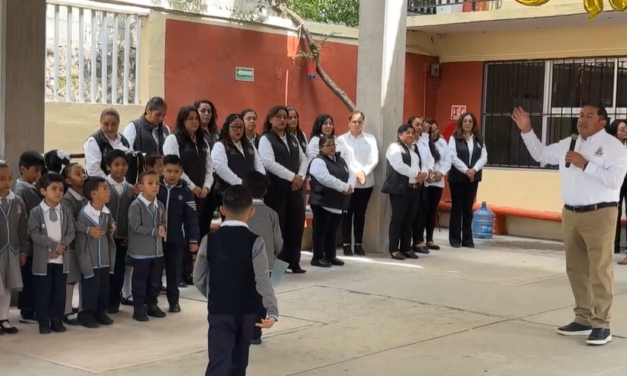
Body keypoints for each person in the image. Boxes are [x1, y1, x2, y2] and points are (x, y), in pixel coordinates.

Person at [512, 103, 627, 346]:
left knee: (599, 270)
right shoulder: (569, 142)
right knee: (575, 269)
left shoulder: (613, 146)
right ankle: (583, 318)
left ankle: (601, 324)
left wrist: (585, 164)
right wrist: (527, 130)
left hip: (600, 213)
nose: (582, 119)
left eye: (589, 116)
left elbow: (615, 179)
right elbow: (541, 155)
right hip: (571, 213)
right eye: (581, 115)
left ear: (603, 122)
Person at [193, 185, 278, 376]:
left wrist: (214, 294)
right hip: (247, 311)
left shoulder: (209, 239)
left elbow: (198, 277)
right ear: (251, 211)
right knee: (239, 362)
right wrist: (272, 310)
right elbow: (262, 279)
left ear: (222, 210)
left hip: (219, 309)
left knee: (218, 360)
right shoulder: (255, 241)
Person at [163, 106, 214, 284]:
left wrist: (206, 187)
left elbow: (209, 167)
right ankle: (179, 274)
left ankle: (192, 271)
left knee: (196, 231)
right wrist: (193, 187)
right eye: (190, 118)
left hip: (202, 194)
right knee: (182, 234)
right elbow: (173, 167)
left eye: (196, 119)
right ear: (182, 120)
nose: (194, 121)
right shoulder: (173, 139)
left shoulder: (203, 141)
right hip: (182, 192)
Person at [258, 105, 308, 274]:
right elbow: (268, 163)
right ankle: (277, 265)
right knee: (279, 227)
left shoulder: (293, 138)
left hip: (294, 189)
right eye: (278, 116)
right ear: (270, 119)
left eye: (285, 117)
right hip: (276, 189)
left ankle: (293, 262)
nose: (282, 120)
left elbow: (304, 159)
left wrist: (299, 177)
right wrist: (292, 177)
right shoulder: (266, 139)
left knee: (296, 225)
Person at [27, 173, 76, 334]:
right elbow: (33, 232)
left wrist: (62, 246)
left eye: (61, 189)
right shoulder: (36, 212)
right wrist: (53, 245)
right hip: (44, 261)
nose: (58, 192)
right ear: (43, 191)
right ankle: (44, 322)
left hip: (61, 261)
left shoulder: (66, 211)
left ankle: (57, 321)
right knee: (43, 293)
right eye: (53, 189)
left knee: (59, 293)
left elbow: (71, 231)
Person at [242, 170, 283, 345]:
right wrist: (273, 255)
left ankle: (242, 330)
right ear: (265, 191)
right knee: (261, 297)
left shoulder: (240, 212)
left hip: (242, 263)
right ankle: (256, 332)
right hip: (266, 263)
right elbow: (278, 240)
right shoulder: (271, 213)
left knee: (243, 296)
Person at [157, 155, 200, 311]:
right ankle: (152, 303)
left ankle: (173, 302)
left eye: (176, 171)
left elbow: (191, 218)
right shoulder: (155, 187)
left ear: (181, 171)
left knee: (174, 272)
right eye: (168, 171)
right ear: (162, 170)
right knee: (155, 272)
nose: (172, 175)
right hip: (156, 239)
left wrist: (193, 239)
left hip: (176, 239)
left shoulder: (187, 192)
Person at [74, 177, 116, 328]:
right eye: (105, 188)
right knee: (90, 289)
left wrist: (112, 227)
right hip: (90, 259)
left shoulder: (106, 212)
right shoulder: (84, 213)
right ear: (94, 194)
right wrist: (88, 230)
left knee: (103, 288)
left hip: (104, 258)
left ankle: (101, 312)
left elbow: (110, 225)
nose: (109, 191)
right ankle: (86, 315)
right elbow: (78, 233)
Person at [382, 124, 429, 260]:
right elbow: (399, 166)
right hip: (400, 189)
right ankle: (394, 249)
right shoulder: (394, 148)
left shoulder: (415, 149)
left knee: (409, 220)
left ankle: (406, 248)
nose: (410, 135)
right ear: (399, 134)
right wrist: (416, 174)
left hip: (415, 189)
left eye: (412, 133)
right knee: (398, 219)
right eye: (407, 132)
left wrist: (424, 174)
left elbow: (423, 163)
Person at [336, 111, 379, 256]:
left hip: (366, 183)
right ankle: (347, 244)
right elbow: (342, 160)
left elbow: (374, 158)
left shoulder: (370, 139)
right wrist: (356, 174)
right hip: (349, 182)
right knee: (347, 214)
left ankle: (359, 244)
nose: (357, 124)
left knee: (360, 214)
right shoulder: (341, 140)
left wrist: (363, 173)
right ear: (349, 123)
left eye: (360, 122)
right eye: (354, 121)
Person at [309, 135, 355, 267]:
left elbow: (350, 173)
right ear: (320, 148)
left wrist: (350, 186)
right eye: (328, 145)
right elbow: (326, 178)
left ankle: (331, 256)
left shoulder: (340, 160)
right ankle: (318, 257)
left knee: (333, 231)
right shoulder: (318, 161)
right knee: (320, 231)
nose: (332, 147)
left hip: (338, 202)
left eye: (333, 144)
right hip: (323, 201)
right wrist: (344, 187)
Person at [127, 171, 167, 322]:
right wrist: (154, 231)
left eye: (157, 183)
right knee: (140, 281)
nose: (155, 186)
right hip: (141, 252)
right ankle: (138, 308)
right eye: (150, 183)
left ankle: (152, 304)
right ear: (141, 187)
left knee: (154, 280)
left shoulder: (160, 205)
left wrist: (163, 226)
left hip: (157, 251)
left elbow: (163, 221)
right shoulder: (136, 206)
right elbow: (135, 226)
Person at [447, 112, 488, 248]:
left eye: (470, 121)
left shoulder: (479, 138)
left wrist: (474, 170)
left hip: (472, 179)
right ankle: (455, 239)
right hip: (457, 178)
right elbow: (452, 156)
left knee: (468, 209)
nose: (467, 123)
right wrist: (466, 170)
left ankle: (467, 239)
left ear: (474, 123)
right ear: (461, 122)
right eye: (465, 121)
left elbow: (484, 157)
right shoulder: (454, 138)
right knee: (457, 208)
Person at [103, 150, 136, 313]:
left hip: (122, 237)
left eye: (124, 164)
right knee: (104, 271)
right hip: (103, 237)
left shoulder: (131, 189)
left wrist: (129, 234)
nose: (120, 168)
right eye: (116, 164)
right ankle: (102, 302)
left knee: (119, 271)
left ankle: (114, 303)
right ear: (108, 167)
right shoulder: (101, 186)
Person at [15, 151, 45, 325]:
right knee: (28, 280)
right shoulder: (21, 192)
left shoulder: (31, 188)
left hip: (36, 244)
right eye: (35, 171)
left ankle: (32, 308)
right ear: (23, 169)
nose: (38, 175)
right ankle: (27, 311)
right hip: (29, 246)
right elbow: (23, 223)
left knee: (34, 279)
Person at [0, 162, 29, 335]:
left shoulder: (17, 202)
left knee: (8, 285)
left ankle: (4, 318)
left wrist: (23, 250)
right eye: (1, 179)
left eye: (9, 178)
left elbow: (23, 228)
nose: (6, 182)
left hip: (12, 250)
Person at [212, 113, 265, 201]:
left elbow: (259, 165)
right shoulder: (220, 145)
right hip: (228, 191)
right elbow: (221, 168)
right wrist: (241, 184)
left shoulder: (249, 146)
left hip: (249, 192)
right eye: (235, 126)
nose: (238, 130)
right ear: (227, 128)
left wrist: (260, 183)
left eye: (241, 127)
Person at [60, 163, 88, 326]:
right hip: (71, 245)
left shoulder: (87, 196)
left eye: (83, 172)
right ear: (68, 181)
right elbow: (71, 223)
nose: (83, 175)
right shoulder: (67, 200)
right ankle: (67, 311)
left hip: (84, 245)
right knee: (71, 279)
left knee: (84, 277)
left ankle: (83, 308)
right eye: (78, 173)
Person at [423, 120, 451, 250]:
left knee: (432, 211)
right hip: (426, 181)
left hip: (438, 182)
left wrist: (441, 173)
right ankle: (419, 238)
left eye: (435, 130)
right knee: (423, 210)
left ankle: (430, 239)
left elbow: (447, 161)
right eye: (430, 131)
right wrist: (429, 175)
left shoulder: (442, 143)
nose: (433, 133)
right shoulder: (423, 143)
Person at [409, 117, 435, 254]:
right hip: (415, 181)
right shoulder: (411, 143)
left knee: (422, 212)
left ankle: (419, 239)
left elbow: (430, 159)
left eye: (420, 125)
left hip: (425, 181)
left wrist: (429, 172)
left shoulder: (423, 142)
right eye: (416, 125)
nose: (419, 127)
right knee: (414, 213)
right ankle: (414, 241)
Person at [83, 108, 132, 178]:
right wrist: (112, 183)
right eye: (106, 124)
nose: (110, 128)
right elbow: (93, 170)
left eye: (114, 124)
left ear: (118, 123)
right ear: (100, 123)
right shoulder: (93, 141)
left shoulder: (124, 140)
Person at [605, 119, 627, 258]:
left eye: (626, 128)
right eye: (622, 129)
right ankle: (614, 245)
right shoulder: (609, 146)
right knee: (614, 212)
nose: (625, 131)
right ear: (614, 132)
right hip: (615, 182)